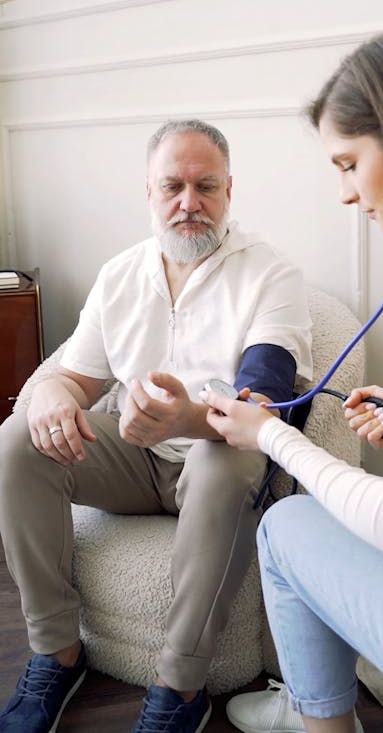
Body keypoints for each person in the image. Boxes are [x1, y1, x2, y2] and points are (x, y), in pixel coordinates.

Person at [202, 33, 383, 733]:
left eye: (349, 163)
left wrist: (272, 435)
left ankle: (315, 714)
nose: (344, 193)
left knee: (283, 526)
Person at [0, 118, 312, 733]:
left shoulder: (272, 275)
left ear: (229, 191)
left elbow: (267, 402)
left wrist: (188, 417)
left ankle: (180, 685)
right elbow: (73, 378)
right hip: (135, 461)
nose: (189, 203)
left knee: (223, 456)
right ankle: (57, 651)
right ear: (148, 192)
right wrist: (49, 398)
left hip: (218, 462)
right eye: (172, 186)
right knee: (14, 442)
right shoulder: (119, 276)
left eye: (206, 187)